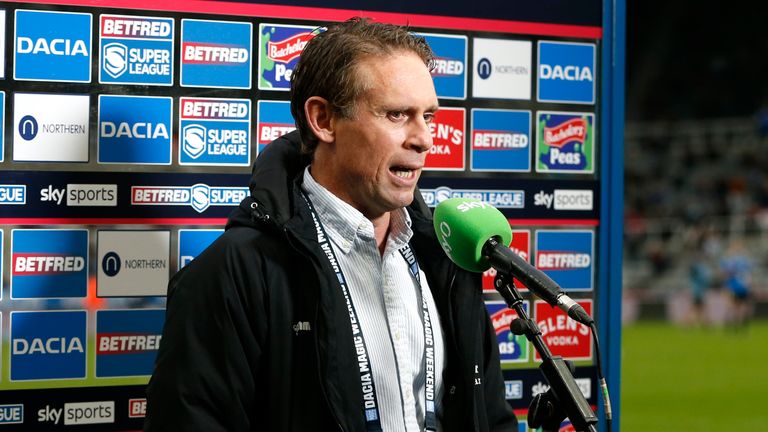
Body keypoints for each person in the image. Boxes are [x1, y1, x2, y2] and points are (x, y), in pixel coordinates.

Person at [145, 17, 518, 432]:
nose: (424, 139)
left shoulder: (447, 261)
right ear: (323, 120)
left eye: (427, 116)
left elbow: (491, 418)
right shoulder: (234, 272)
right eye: (397, 114)